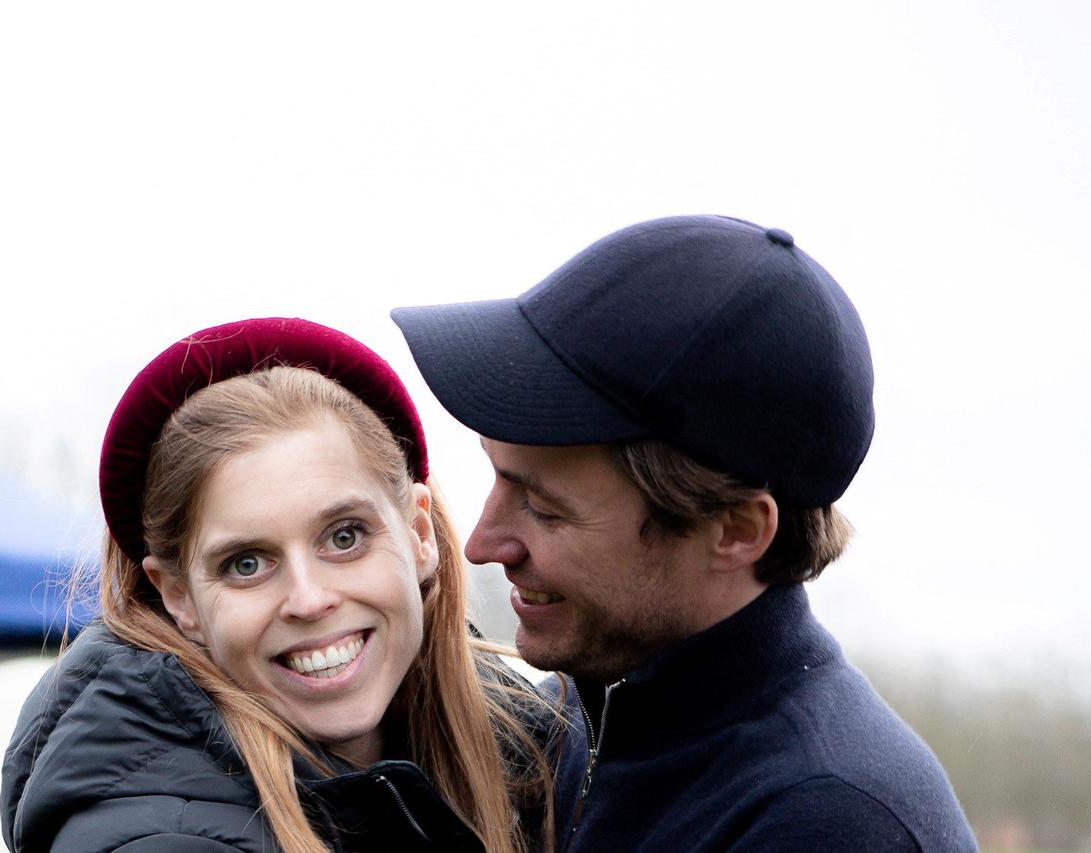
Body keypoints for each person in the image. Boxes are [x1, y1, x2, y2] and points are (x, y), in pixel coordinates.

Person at [391, 215, 979, 852]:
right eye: (499, 478)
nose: (482, 544)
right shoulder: (586, 716)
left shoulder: (824, 821)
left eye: (545, 507)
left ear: (734, 530)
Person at [0, 317, 556, 853]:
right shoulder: (154, 834)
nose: (310, 600)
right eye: (246, 564)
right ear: (178, 597)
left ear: (417, 533)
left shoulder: (540, 747)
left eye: (344, 537)